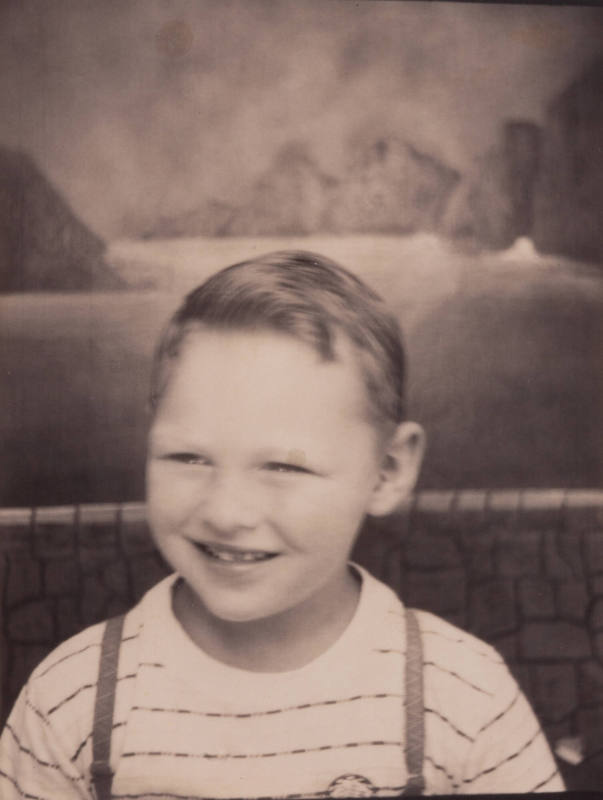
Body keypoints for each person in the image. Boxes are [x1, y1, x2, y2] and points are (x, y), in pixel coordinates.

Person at [0, 251, 563, 798]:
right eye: (188, 458)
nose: (226, 512)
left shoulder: (462, 695)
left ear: (388, 470)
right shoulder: (73, 699)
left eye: (283, 466)